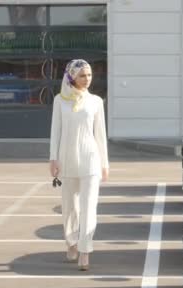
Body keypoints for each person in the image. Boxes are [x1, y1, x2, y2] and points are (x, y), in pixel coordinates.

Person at [49, 59, 109, 271]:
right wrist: (53, 159)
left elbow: (100, 135)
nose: (87, 79)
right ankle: (71, 242)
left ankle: (85, 250)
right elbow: (55, 132)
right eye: (83, 75)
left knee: (89, 207)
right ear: (72, 76)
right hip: (67, 160)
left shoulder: (95, 102)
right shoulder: (60, 100)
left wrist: (105, 163)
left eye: (90, 75)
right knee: (70, 208)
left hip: (90, 159)